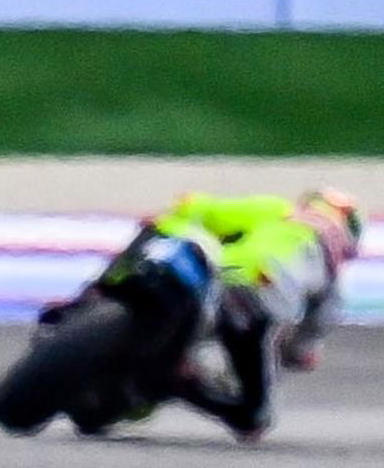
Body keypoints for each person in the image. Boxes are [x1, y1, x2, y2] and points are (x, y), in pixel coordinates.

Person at [140, 188, 361, 441]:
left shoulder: (279, 210)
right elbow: (308, 339)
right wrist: (299, 353)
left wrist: (170, 219)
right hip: (252, 299)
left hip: (216, 275)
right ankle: (180, 380)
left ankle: (166, 367)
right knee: (255, 418)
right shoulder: (331, 279)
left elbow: (206, 210)